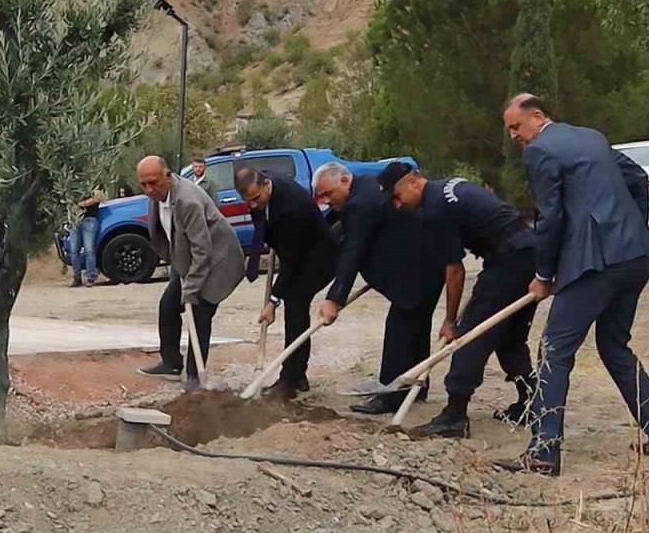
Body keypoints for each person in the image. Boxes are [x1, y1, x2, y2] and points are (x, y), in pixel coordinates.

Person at [493, 94, 649, 477]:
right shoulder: (591, 137)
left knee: (554, 350)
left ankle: (544, 452)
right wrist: (632, 231)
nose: (514, 136)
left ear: (538, 117)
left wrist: (544, 275)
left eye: (516, 127)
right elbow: (638, 179)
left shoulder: (540, 149)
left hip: (595, 264)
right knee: (615, 347)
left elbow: (551, 216)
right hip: (635, 258)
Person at [382, 163, 537, 438]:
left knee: (471, 336)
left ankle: (454, 415)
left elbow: (455, 270)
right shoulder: (446, 188)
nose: (397, 205)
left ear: (413, 182)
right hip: (527, 250)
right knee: (508, 335)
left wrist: (451, 321)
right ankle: (533, 403)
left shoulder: (435, 209)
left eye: (397, 196)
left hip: (510, 259)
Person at [313, 162, 444, 414]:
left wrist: (334, 298)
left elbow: (354, 252)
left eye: (328, 194)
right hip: (430, 264)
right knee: (416, 327)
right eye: (321, 196)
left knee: (399, 329)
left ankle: (390, 394)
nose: (326, 201)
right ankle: (415, 386)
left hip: (415, 269)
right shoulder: (367, 186)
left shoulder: (358, 204)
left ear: (344, 181)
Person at [135, 156, 245, 384]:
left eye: (153, 182)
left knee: (199, 312)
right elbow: (169, 238)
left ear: (168, 176)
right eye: (143, 184)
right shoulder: (156, 195)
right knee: (168, 305)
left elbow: (202, 250)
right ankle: (171, 363)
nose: (149, 189)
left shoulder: (188, 200)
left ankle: (195, 377)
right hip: (192, 262)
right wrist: (178, 268)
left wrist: (191, 288)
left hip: (218, 261)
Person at [236, 168, 337, 400]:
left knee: (295, 305)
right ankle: (297, 376)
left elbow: (291, 262)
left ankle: (290, 379)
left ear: (267, 185)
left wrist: (273, 301)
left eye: (255, 199)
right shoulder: (263, 190)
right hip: (294, 249)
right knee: (294, 307)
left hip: (318, 259)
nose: (251, 206)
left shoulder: (292, 208)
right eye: (247, 201)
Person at [68, 187, 104, 287]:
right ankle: (77, 278)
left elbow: (97, 198)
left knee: (89, 250)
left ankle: (90, 277)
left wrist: (80, 204)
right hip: (75, 220)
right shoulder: (74, 184)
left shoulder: (93, 183)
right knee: (74, 250)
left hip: (89, 219)